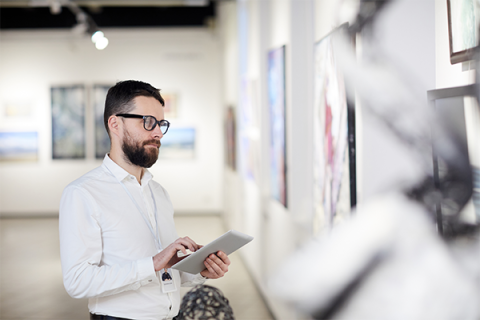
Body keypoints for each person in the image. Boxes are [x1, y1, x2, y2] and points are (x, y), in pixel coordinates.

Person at [59, 80, 231, 320]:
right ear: (115, 123)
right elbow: (78, 282)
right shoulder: (82, 193)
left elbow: (166, 271)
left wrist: (199, 270)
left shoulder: (157, 191)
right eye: (148, 122)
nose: (158, 132)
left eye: (161, 123)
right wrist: (152, 263)